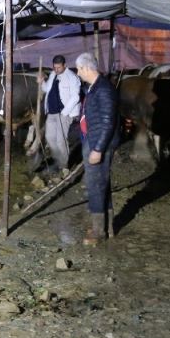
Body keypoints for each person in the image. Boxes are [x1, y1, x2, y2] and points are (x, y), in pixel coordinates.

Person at [75, 52, 119, 246]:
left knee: (95, 185)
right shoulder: (95, 87)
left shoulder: (104, 89)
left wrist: (98, 149)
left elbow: (108, 122)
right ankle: (108, 227)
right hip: (92, 140)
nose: (78, 73)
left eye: (79, 69)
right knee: (102, 184)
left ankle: (98, 232)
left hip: (98, 143)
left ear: (86, 68)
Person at [38, 54, 81, 172]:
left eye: (59, 67)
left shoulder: (72, 77)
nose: (56, 70)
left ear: (65, 65)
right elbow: (46, 89)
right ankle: (58, 160)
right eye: (54, 67)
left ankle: (64, 166)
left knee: (60, 140)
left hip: (64, 113)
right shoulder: (53, 74)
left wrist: (64, 112)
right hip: (51, 112)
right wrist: (42, 82)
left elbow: (75, 97)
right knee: (49, 138)